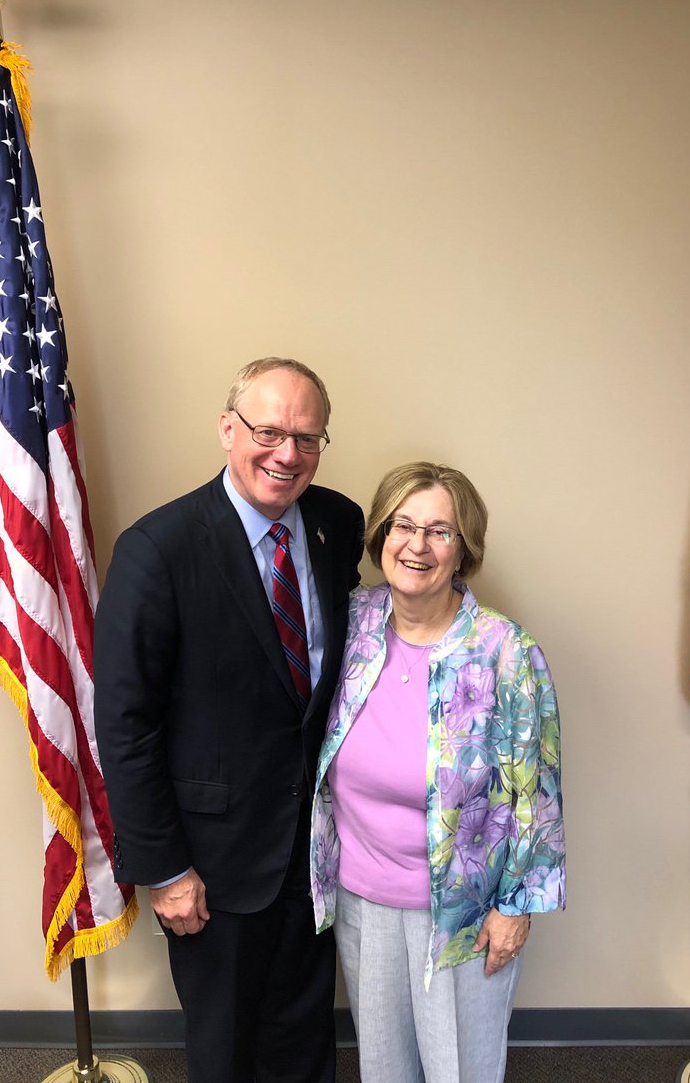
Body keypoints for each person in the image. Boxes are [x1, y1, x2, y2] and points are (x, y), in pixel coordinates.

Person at [94, 357, 364, 1083]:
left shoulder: (337, 523)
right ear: (227, 429)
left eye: (306, 438)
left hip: (315, 851)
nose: (287, 455)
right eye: (268, 432)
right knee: (226, 1054)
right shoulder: (158, 549)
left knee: (305, 1042)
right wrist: (164, 869)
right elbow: (124, 724)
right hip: (213, 865)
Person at [310, 462, 565, 1083]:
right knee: (384, 1067)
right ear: (381, 535)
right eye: (402, 525)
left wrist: (515, 908)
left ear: (463, 548)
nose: (416, 545)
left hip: (462, 913)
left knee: (460, 1070)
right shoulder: (352, 624)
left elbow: (536, 795)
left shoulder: (505, 651)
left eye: (439, 531)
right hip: (361, 899)